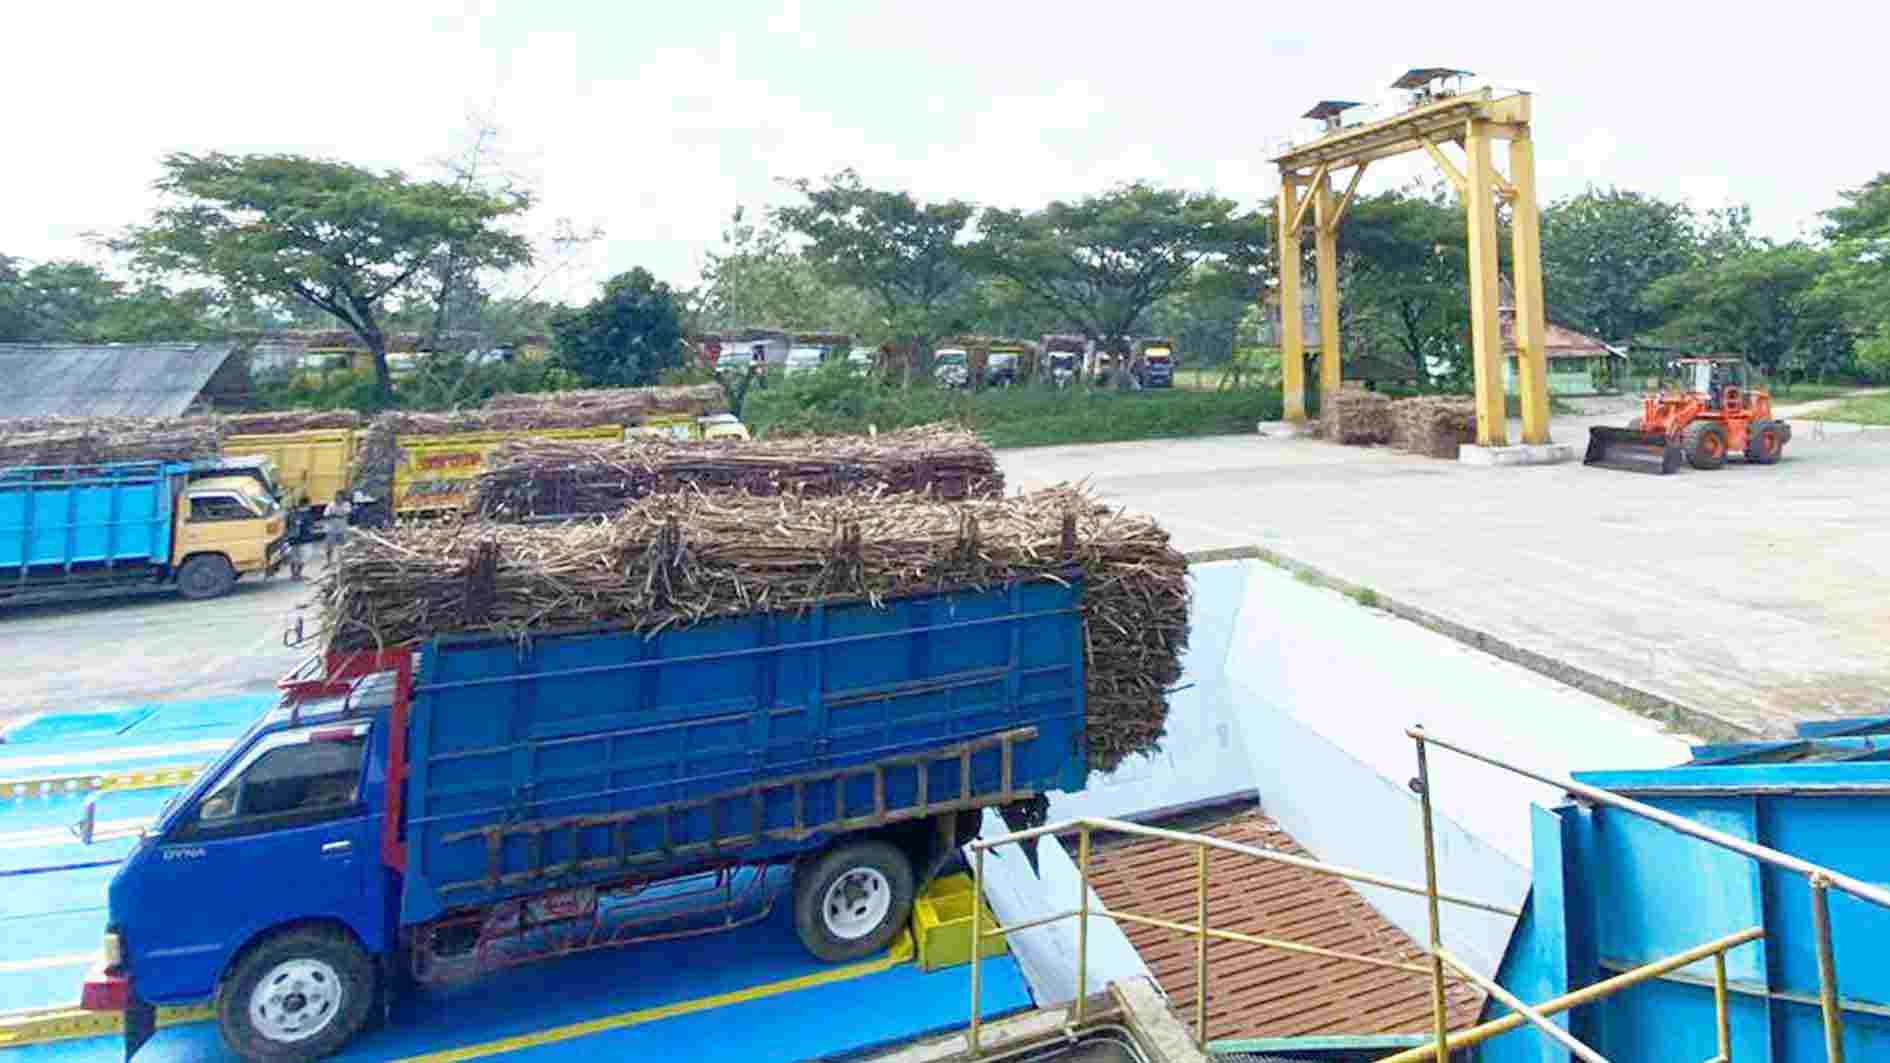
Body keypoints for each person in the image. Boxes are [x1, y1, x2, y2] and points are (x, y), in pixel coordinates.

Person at [323, 491, 352, 565]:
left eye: (339, 497)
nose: (337, 498)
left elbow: (347, 513)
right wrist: (337, 514)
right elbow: (326, 514)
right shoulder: (331, 504)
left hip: (342, 528)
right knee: (329, 546)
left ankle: (343, 560)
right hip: (332, 529)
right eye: (336, 496)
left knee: (343, 546)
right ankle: (329, 561)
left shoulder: (346, 504)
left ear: (342, 497)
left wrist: (335, 514)